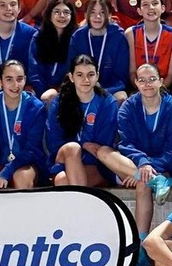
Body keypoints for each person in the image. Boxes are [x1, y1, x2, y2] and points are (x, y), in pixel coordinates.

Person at [118, 63, 172, 250]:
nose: (147, 84)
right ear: (135, 83)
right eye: (142, 80)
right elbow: (125, 143)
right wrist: (142, 164)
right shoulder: (128, 107)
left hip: (167, 169)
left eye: (152, 79)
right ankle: (152, 179)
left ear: (161, 81)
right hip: (137, 164)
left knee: (142, 182)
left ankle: (140, 247)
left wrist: (147, 167)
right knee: (103, 152)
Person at [45, 55, 138, 187]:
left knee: (63, 181)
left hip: (94, 163)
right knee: (73, 148)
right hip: (65, 158)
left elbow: (102, 144)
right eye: (80, 75)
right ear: (71, 77)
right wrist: (83, 145)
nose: (86, 80)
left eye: (90, 74)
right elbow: (54, 142)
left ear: (97, 76)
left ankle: (79, 205)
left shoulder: (107, 102)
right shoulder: (59, 102)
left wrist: (84, 147)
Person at [0, 60, 45, 192]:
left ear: (25, 80)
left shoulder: (36, 108)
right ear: (0, 81)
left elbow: (32, 149)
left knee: (21, 176)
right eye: (9, 79)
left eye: (19, 79)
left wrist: (8, 171)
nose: (15, 85)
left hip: (25, 164)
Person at [67, 0, 130, 99]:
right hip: (82, 87)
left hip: (111, 89)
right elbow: (71, 68)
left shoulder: (118, 36)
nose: (97, 16)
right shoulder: (78, 37)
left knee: (121, 97)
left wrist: (103, 90)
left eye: (102, 12)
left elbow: (121, 74)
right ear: (85, 15)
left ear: (110, 15)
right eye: (92, 12)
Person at [29, 0, 77, 100]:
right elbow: (34, 70)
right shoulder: (38, 37)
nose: (62, 16)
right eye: (57, 12)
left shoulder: (76, 39)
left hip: (64, 88)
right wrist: (40, 90)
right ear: (49, 15)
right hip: (39, 88)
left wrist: (58, 88)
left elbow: (73, 70)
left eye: (66, 12)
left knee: (49, 96)